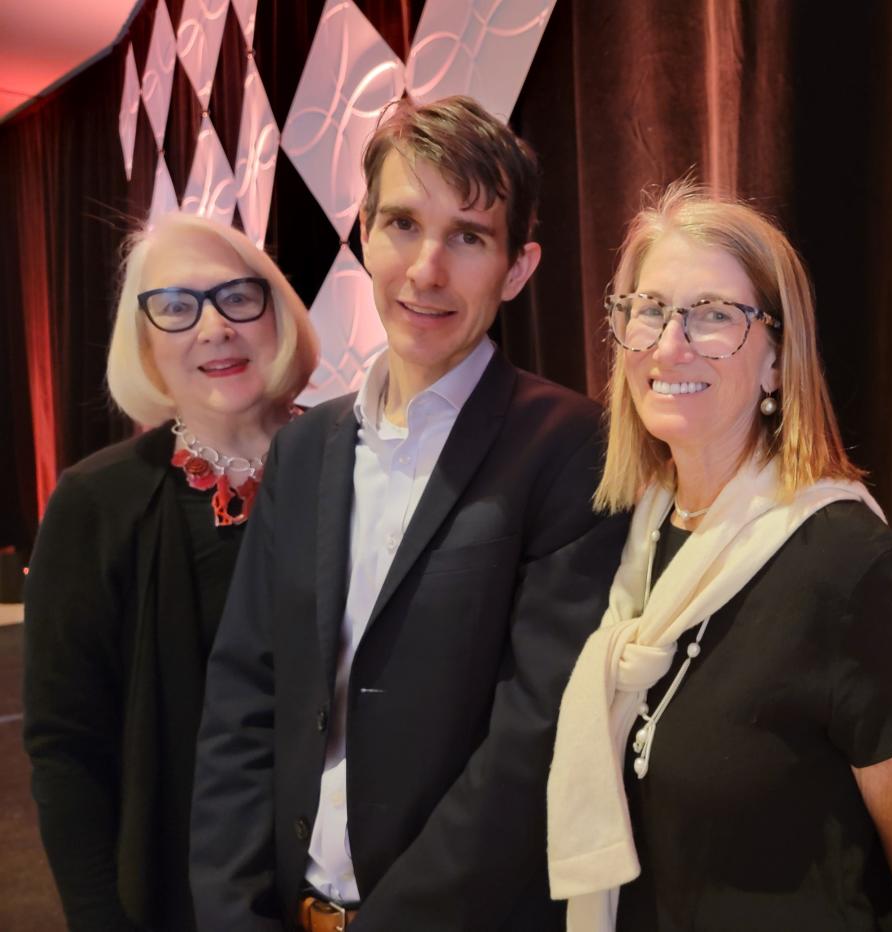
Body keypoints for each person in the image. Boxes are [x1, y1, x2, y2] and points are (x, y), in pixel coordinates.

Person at [190, 95, 628, 931]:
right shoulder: (305, 449)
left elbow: (532, 740)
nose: (427, 269)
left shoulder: (572, 448)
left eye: (468, 236)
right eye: (401, 223)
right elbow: (245, 697)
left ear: (519, 267)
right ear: (362, 234)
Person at [547, 182, 892, 932]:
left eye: (712, 317)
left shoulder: (853, 571)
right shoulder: (638, 542)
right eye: (649, 310)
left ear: (776, 358)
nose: (670, 345)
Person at [22, 212, 318, 930]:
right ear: (146, 343)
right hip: (183, 898)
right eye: (176, 308)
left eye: (236, 297)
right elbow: (68, 750)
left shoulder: (360, 462)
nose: (213, 328)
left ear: (277, 312)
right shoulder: (97, 503)